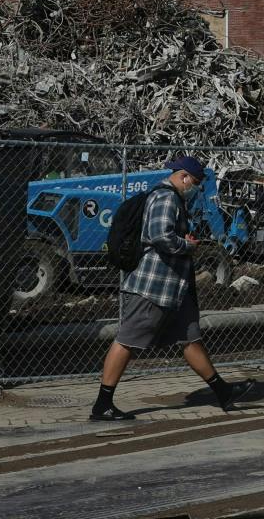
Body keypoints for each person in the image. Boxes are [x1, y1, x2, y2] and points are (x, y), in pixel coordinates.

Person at [91, 153, 248, 422]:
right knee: (127, 340)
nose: (196, 188)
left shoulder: (171, 197)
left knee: (190, 338)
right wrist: (187, 245)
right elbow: (159, 235)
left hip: (173, 289)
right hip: (152, 287)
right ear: (183, 177)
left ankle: (223, 392)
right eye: (195, 182)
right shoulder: (166, 197)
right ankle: (102, 404)